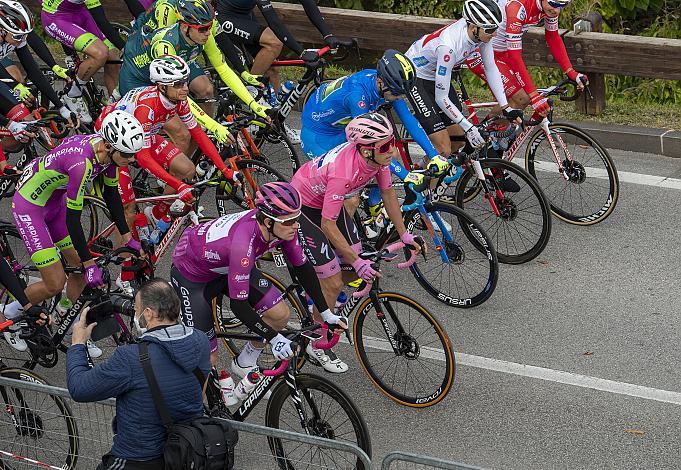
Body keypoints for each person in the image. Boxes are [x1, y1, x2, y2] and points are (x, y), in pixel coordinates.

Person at [170, 181, 347, 377]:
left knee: (279, 315)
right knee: (206, 359)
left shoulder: (282, 228)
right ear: (268, 221)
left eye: (297, 218)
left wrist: (326, 313)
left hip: (229, 266)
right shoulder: (242, 243)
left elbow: (303, 269)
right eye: (289, 221)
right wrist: (273, 339)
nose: (296, 225)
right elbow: (239, 306)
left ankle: (244, 361)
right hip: (193, 277)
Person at [291, 113, 424, 371]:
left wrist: (405, 234)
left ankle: (318, 296)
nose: (392, 150)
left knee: (353, 268)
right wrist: (356, 261)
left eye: (392, 142)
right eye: (385, 146)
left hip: (327, 203)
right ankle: (314, 340)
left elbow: (387, 192)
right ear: (365, 151)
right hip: (303, 207)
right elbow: (327, 224)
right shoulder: (343, 171)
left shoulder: (377, 159)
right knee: (334, 280)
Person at [95, 55, 239, 293]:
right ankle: (125, 275)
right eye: (178, 85)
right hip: (115, 144)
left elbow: (199, 134)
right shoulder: (147, 106)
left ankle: (156, 212)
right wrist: (176, 186)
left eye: (185, 82)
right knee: (129, 211)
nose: (185, 89)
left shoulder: (177, 100)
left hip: (143, 136)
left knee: (187, 170)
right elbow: (141, 157)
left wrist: (224, 169)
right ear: (162, 86)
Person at [12, 110, 144, 357]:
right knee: (55, 282)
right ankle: (8, 315)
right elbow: (74, 221)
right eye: (127, 154)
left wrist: (128, 239)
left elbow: (111, 195)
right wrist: (89, 261)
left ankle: (68, 320)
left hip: (54, 203)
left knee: (81, 273)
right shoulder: (82, 163)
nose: (132, 159)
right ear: (109, 146)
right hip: (31, 207)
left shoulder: (108, 156)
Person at [67, 278, 211, 470]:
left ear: (149, 314)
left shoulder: (130, 358)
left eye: (136, 309)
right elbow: (200, 391)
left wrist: (77, 344)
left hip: (138, 458)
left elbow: (79, 388)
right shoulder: (201, 341)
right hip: (185, 452)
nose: (135, 314)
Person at [119, 0, 269, 155]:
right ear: (185, 27)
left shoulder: (202, 34)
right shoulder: (165, 44)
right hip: (139, 79)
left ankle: (187, 161)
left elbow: (223, 69)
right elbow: (179, 94)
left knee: (206, 89)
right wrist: (214, 126)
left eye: (210, 27)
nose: (208, 33)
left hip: (174, 67)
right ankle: (171, 176)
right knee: (183, 134)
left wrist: (254, 105)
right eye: (203, 29)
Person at [404, 0, 523, 158]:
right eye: (491, 30)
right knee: (443, 149)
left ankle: (429, 169)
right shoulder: (449, 47)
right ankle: (420, 178)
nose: (495, 34)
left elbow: (490, 67)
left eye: (496, 28)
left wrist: (505, 106)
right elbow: (442, 98)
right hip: (415, 74)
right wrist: (470, 128)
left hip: (434, 74)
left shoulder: (480, 33)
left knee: (459, 140)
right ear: (474, 28)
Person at [466, 0, 588, 118]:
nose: (557, 10)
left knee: (512, 100)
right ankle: (485, 136)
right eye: (554, 4)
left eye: (562, 5)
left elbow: (553, 37)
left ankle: (495, 133)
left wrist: (571, 72)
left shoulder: (548, 8)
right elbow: (515, 57)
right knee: (522, 98)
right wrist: (534, 96)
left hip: (503, 53)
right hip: (482, 53)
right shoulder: (518, 7)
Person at [41, 0, 127, 123]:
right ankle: (73, 93)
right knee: (101, 53)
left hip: (79, 13)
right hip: (56, 18)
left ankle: (115, 110)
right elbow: (101, 20)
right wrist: (126, 48)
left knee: (113, 57)